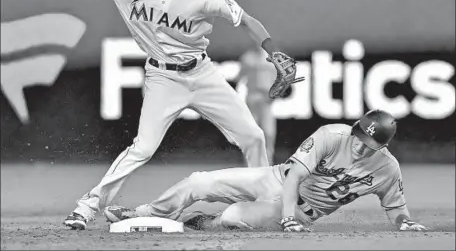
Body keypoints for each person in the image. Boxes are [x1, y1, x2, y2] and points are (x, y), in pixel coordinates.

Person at [64, 0, 299, 230]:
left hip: (202, 74)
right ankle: (88, 206)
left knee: (253, 136)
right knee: (143, 148)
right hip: (163, 77)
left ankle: (267, 203)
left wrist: (274, 51)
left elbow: (247, 21)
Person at [103, 109, 428, 232]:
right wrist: (285, 216)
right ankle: (144, 213)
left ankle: (206, 224)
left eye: (367, 145)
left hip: (301, 211)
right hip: (277, 178)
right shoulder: (333, 134)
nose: (358, 145)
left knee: (232, 217)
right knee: (199, 182)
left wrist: (405, 223)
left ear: (381, 148)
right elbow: (296, 176)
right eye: (358, 136)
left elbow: (396, 208)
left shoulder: (387, 169)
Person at [237, 46, 277, 164]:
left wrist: (274, 94)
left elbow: (279, 78)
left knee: (268, 132)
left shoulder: (274, 58)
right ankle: (250, 162)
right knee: (252, 131)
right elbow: (240, 76)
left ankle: (268, 162)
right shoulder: (248, 57)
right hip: (252, 95)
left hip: (267, 97)